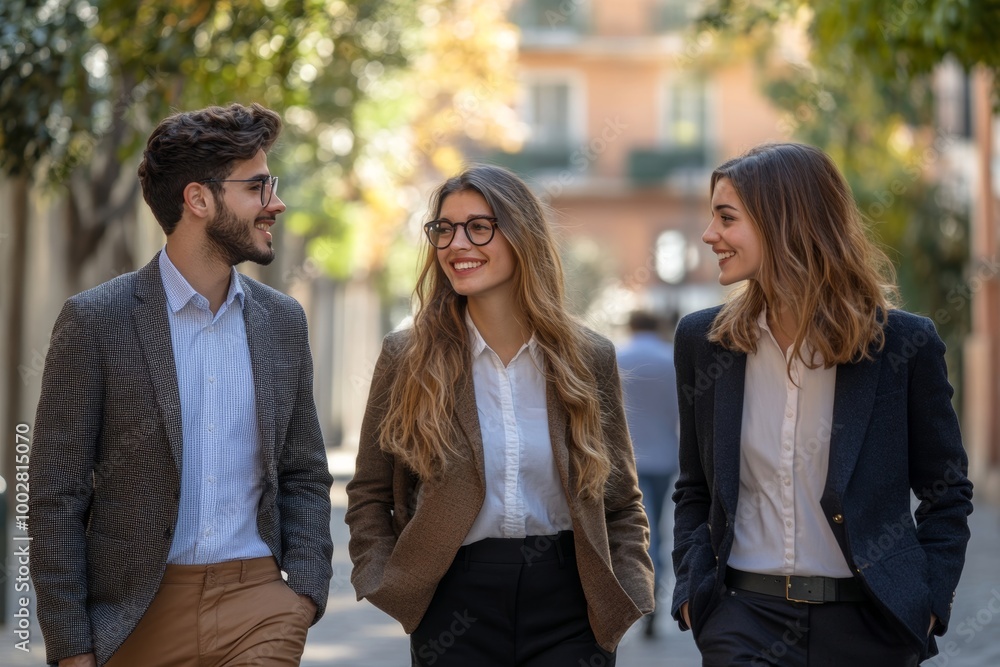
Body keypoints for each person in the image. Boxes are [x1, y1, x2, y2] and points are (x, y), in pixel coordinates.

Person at [28, 103, 334, 667]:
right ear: (198, 199)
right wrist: (70, 648)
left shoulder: (282, 321)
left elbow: (305, 472)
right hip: (135, 615)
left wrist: (303, 594)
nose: (276, 202)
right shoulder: (96, 320)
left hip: (258, 606)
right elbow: (55, 497)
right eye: (258, 186)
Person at [671, 142, 974, 666]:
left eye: (726, 218)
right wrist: (692, 597)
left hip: (871, 625)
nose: (709, 235)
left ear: (783, 220)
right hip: (743, 621)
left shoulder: (902, 345)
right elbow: (695, 489)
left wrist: (926, 603)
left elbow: (946, 493)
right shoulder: (704, 342)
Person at [345, 164, 654, 666]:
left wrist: (631, 589)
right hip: (453, 601)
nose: (456, 244)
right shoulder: (408, 357)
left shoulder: (587, 356)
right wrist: (381, 576)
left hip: (570, 603)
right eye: (444, 229)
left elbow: (621, 500)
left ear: (521, 236)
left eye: (479, 227)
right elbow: (370, 492)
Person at [616, 309, 679, 638]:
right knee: (657, 528)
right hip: (665, 455)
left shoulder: (617, 355)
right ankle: (654, 597)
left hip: (627, 458)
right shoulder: (671, 359)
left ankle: (638, 597)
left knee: (632, 529)